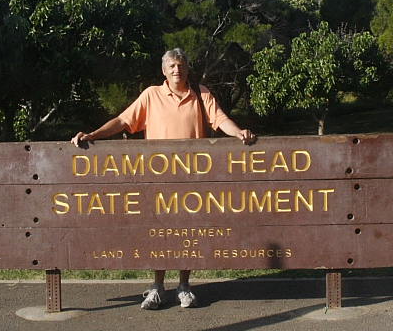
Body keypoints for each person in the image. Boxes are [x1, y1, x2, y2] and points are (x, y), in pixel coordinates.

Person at [71, 48, 255, 310]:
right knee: (158, 234)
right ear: (164, 71)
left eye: (180, 65)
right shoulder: (151, 95)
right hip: (158, 180)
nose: (176, 70)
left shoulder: (201, 94)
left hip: (193, 178)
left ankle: (184, 286)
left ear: (188, 69)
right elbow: (124, 120)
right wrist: (93, 135)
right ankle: (157, 287)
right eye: (171, 66)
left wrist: (238, 133)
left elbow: (220, 119)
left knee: (189, 233)